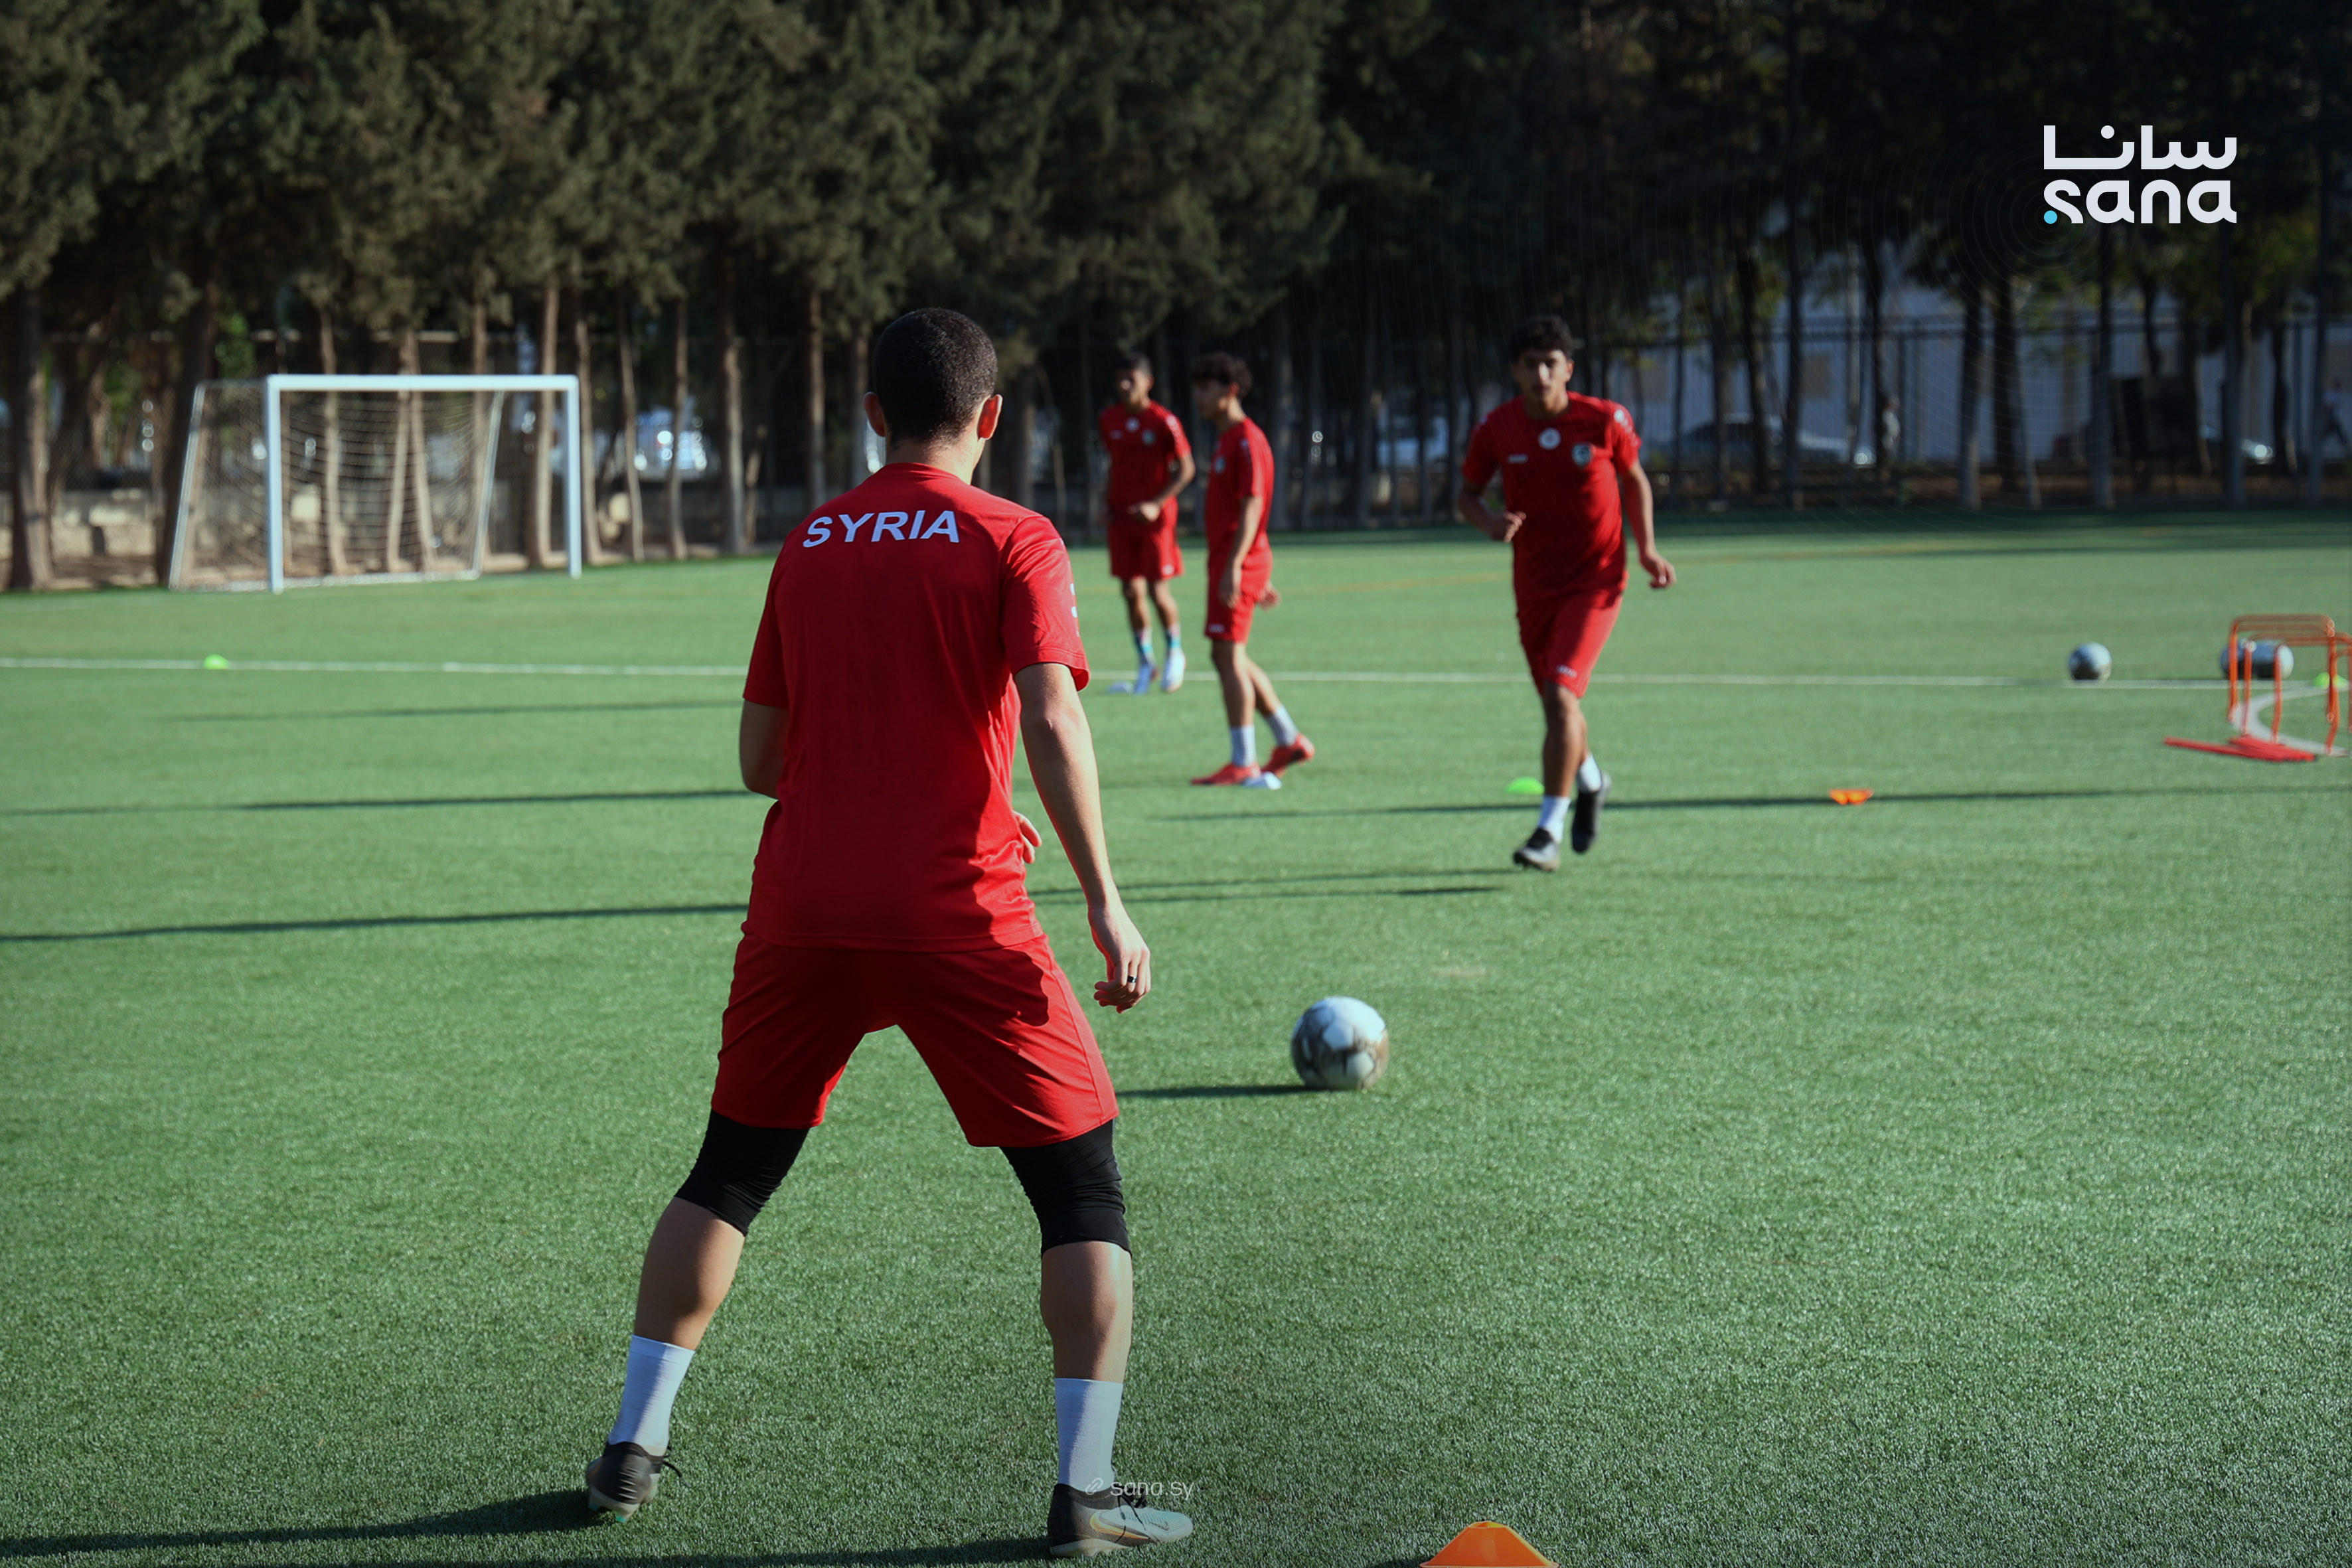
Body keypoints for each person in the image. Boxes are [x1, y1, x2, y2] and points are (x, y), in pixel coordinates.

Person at [582, 308, 1192, 1559]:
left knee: (729, 1173)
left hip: (803, 904)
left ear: (870, 414)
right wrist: (1104, 896)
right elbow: (1053, 718)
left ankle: (631, 1447)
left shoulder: (809, 541)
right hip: (957, 906)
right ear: (990, 416)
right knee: (1079, 1189)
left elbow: (759, 760)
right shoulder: (1014, 535)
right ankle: (1083, 1490)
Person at [1458, 315, 1674, 871]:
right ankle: (1592, 780)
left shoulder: (1603, 420)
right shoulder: (1497, 428)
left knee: (1559, 694)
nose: (1540, 374)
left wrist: (1647, 549)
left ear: (1568, 369)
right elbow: (1467, 495)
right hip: (1534, 585)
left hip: (1596, 581)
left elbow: (1634, 479)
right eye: (1530, 364)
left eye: (1550, 363)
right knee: (1559, 706)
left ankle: (1546, 831)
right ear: (1514, 371)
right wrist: (1488, 523)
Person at [1187, 352, 1312, 789]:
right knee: (1230, 654)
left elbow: (1253, 505)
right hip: (1235, 561)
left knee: (1227, 655)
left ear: (1231, 391)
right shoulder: (1226, 439)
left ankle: (1244, 761)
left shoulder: (1246, 439)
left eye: (1206, 388)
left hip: (1235, 561)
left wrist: (1238, 567)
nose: (1198, 397)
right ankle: (1288, 739)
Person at [1097, 352, 1196, 693]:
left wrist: (1156, 504)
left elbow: (1186, 469)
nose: (1125, 386)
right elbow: (1115, 465)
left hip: (1155, 521)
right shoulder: (1109, 419)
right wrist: (1106, 502)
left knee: (1157, 589)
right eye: (1120, 380)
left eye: (1132, 379)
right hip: (1121, 518)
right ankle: (1145, 662)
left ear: (1148, 382)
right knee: (1129, 591)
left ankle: (1175, 652)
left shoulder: (1164, 421)